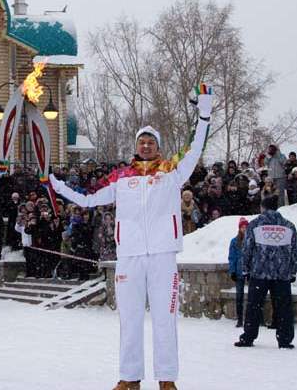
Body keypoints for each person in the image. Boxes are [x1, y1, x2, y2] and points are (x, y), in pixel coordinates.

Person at [48, 88, 213, 390]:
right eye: (142, 141)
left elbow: (194, 148)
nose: (146, 145)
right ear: (136, 146)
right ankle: (130, 377)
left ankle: (166, 379)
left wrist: (203, 115)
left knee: (166, 318)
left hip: (163, 254)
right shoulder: (121, 177)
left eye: (151, 141)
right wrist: (56, 185)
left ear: (158, 146)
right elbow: (87, 199)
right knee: (130, 320)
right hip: (130, 256)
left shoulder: (172, 171)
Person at [235, 193, 297, 349]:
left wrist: (245, 270)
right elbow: (295, 252)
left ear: (262, 208)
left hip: (259, 273)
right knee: (283, 308)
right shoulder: (289, 226)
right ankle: (285, 339)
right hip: (282, 274)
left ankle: (248, 337)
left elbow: (247, 250)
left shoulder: (255, 225)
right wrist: (293, 271)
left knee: (254, 306)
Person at [228, 218, 249, 328]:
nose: (244, 229)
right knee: (239, 296)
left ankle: (253, 318)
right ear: (239, 228)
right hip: (239, 271)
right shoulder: (235, 241)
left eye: (246, 227)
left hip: (249, 271)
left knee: (253, 296)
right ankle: (240, 318)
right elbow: (232, 257)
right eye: (242, 227)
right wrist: (232, 271)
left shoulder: (251, 240)